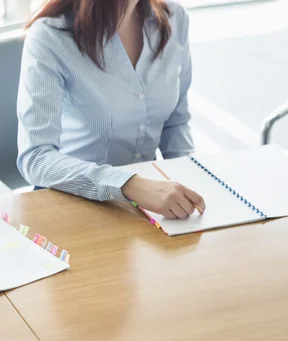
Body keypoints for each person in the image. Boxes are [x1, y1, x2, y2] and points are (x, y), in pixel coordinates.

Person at [17, 0, 206, 219]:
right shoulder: (51, 35)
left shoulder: (175, 18)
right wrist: (128, 185)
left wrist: (191, 179)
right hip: (72, 204)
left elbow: (176, 123)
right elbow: (36, 157)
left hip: (151, 210)